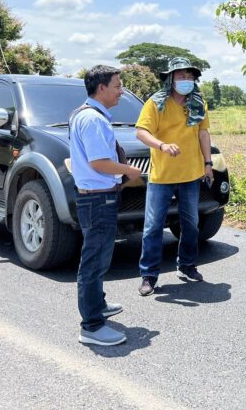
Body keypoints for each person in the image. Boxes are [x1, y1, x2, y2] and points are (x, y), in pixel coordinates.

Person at [70, 65, 142, 346]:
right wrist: (129, 170)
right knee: (94, 261)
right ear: (101, 88)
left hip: (96, 196)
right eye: (117, 86)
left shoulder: (83, 114)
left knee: (97, 258)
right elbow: (99, 163)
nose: (121, 91)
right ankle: (92, 326)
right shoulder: (93, 120)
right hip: (98, 199)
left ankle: (96, 306)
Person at [136, 57, 213, 296]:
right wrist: (161, 145)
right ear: (170, 78)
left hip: (191, 174)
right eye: (181, 76)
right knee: (152, 227)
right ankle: (149, 275)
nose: (186, 80)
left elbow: (203, 134)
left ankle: (187, 265)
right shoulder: (155, 103)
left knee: (191, 224)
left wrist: (208, 164)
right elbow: (141, 132)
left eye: (190, 77)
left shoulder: (198, 103)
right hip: (162, 176)